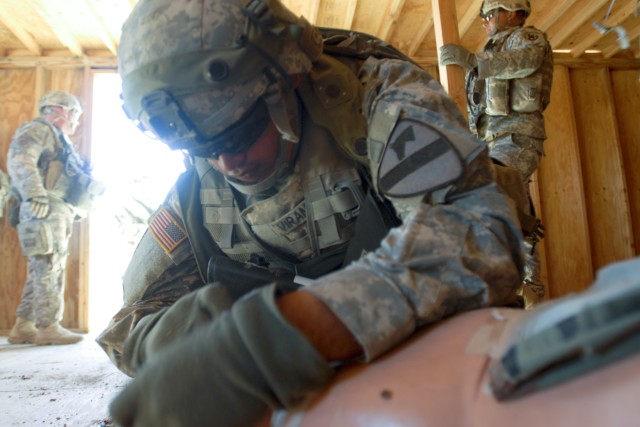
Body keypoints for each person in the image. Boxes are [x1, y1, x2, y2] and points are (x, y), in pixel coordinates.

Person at [98, 0, 526, 425]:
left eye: (240, 132)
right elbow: (128, 326)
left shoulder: (376, 96)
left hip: (421, 343)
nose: (228, 164)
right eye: (204, 148)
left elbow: (477, 240)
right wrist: (178, 343)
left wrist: (278, 336)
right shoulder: (197, 194)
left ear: (287, 82)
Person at [439, 0, 553, 307]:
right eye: (484, 16)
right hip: (492, 143)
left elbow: (525, 62)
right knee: (516, 212)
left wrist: (474, 61)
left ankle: (507, 288)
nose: (485, 21)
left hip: (517, 138)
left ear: (513, 12)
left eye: (490, 14)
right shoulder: (490, 49)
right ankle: (529, 291)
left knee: (491, 187)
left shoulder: (527, 38)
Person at [7, 90, 98, 345]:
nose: (77, 120)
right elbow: (20, 160)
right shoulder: (38, 129)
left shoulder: (58, 138)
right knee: (48, 265)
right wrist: (36, 195)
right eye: (75, 114)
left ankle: (23, 326)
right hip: (42, 207)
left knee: (45, 266)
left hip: (56, 208)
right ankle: (49, 326)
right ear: (62, 110)